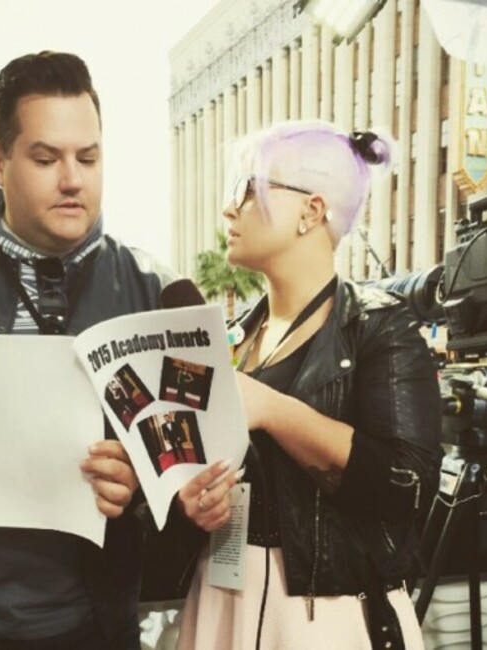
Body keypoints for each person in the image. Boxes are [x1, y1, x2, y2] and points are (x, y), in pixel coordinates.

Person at [0, 51, 175, 649]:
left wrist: (140, 484)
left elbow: (184, 463)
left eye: (88, 158)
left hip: (95, 620)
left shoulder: (151, 288)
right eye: (46, 158)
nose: (72, 179)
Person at [175, 121, 443, 650]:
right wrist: (192, 501)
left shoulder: (379, 327)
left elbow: (408, 487)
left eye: (247, 189)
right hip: (221, 595)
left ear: (311, 211)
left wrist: (276, 411)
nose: (230, 209)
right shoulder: (232, 338)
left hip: (324, 615)